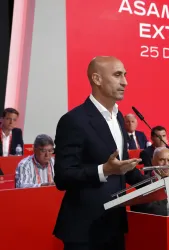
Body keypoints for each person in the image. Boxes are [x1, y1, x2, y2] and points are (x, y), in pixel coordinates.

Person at [53, 56, 145, 250]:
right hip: (84, 230)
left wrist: (157, 182)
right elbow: (62, 177)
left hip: (114, 224)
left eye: (125, 75)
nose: (125, 82)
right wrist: (103, 170)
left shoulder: (118, 116)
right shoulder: (73, 121)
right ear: (97, 79)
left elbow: (122, 165)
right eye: (118, 75)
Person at [131, 147, 169, 216]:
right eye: (162, 160)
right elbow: (153, 211)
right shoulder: (144, 182)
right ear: (152, 162)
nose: (166, 164)